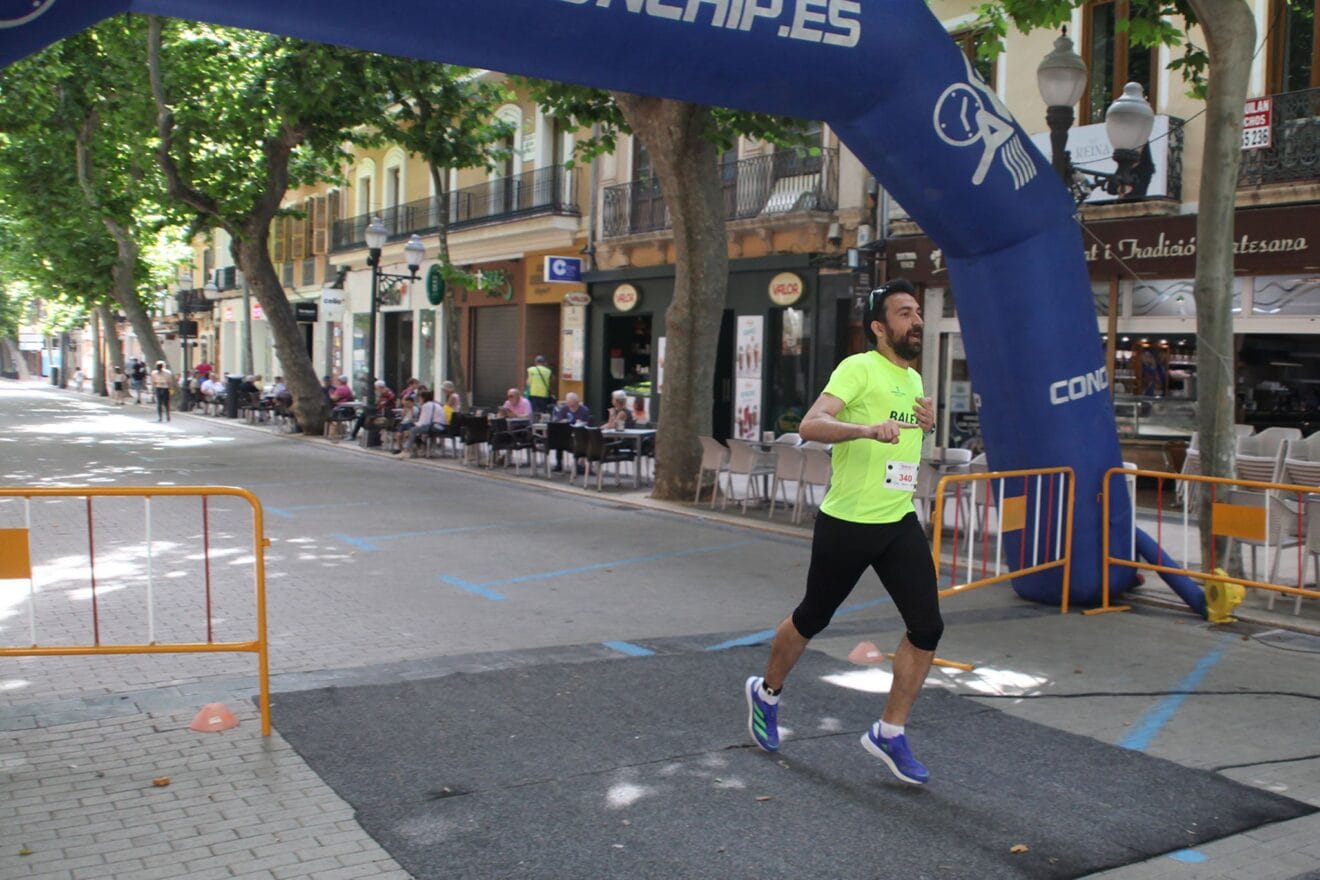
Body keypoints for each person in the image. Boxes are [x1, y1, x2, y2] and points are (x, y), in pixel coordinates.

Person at [744, 279, 939, 786]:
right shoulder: (858, 368)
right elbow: (811, 424)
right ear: (879, 327)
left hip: (897, 520)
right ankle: (766, 693)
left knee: (928, 627)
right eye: (903, 313)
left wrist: (928, 424)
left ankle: (889, 732)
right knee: (812, 617)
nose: (916, 320)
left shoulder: (914, 379)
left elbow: (905, 436)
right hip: (849, 522)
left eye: (917, 311)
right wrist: (864, 429)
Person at [392, 390, 446, 457]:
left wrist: (415, 424)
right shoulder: (435, 404)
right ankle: (416, 449)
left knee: (413, 430)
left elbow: (424, 421)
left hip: (435, 426)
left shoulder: (426, 405)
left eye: (420, 398)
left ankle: (406, 451)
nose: (419, 400)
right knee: (414, 429)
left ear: (423, 398)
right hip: (440, 426)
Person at [549, 392, 592, 472]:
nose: (568, 403)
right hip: (565, 434)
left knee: (580, 440)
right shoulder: (564, 409)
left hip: (579, 435)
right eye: (568, 401)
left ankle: (579, 465)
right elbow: (558, 420)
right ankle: (559, 464)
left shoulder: (584, 410)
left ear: (576, 401)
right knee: (558, 441)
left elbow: (587, 423)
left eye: (570, 401)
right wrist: (562, 421)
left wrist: (580, 422)